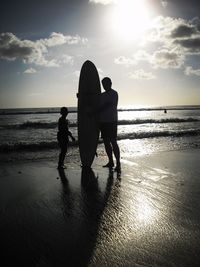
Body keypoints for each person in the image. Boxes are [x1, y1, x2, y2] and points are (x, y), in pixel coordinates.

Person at [99, 77, 121, 172]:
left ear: (110, 83)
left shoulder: (114, 93)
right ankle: (111, 161)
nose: (104, 86)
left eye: (106, 83)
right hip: (103, 121)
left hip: (111, 121)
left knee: (113, 142)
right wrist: (81, 96)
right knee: (106, 143)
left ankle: (118, 163)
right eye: (103, 84)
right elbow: (92, 99)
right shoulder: (102, 95)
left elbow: (106, 106)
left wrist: (94, 112)